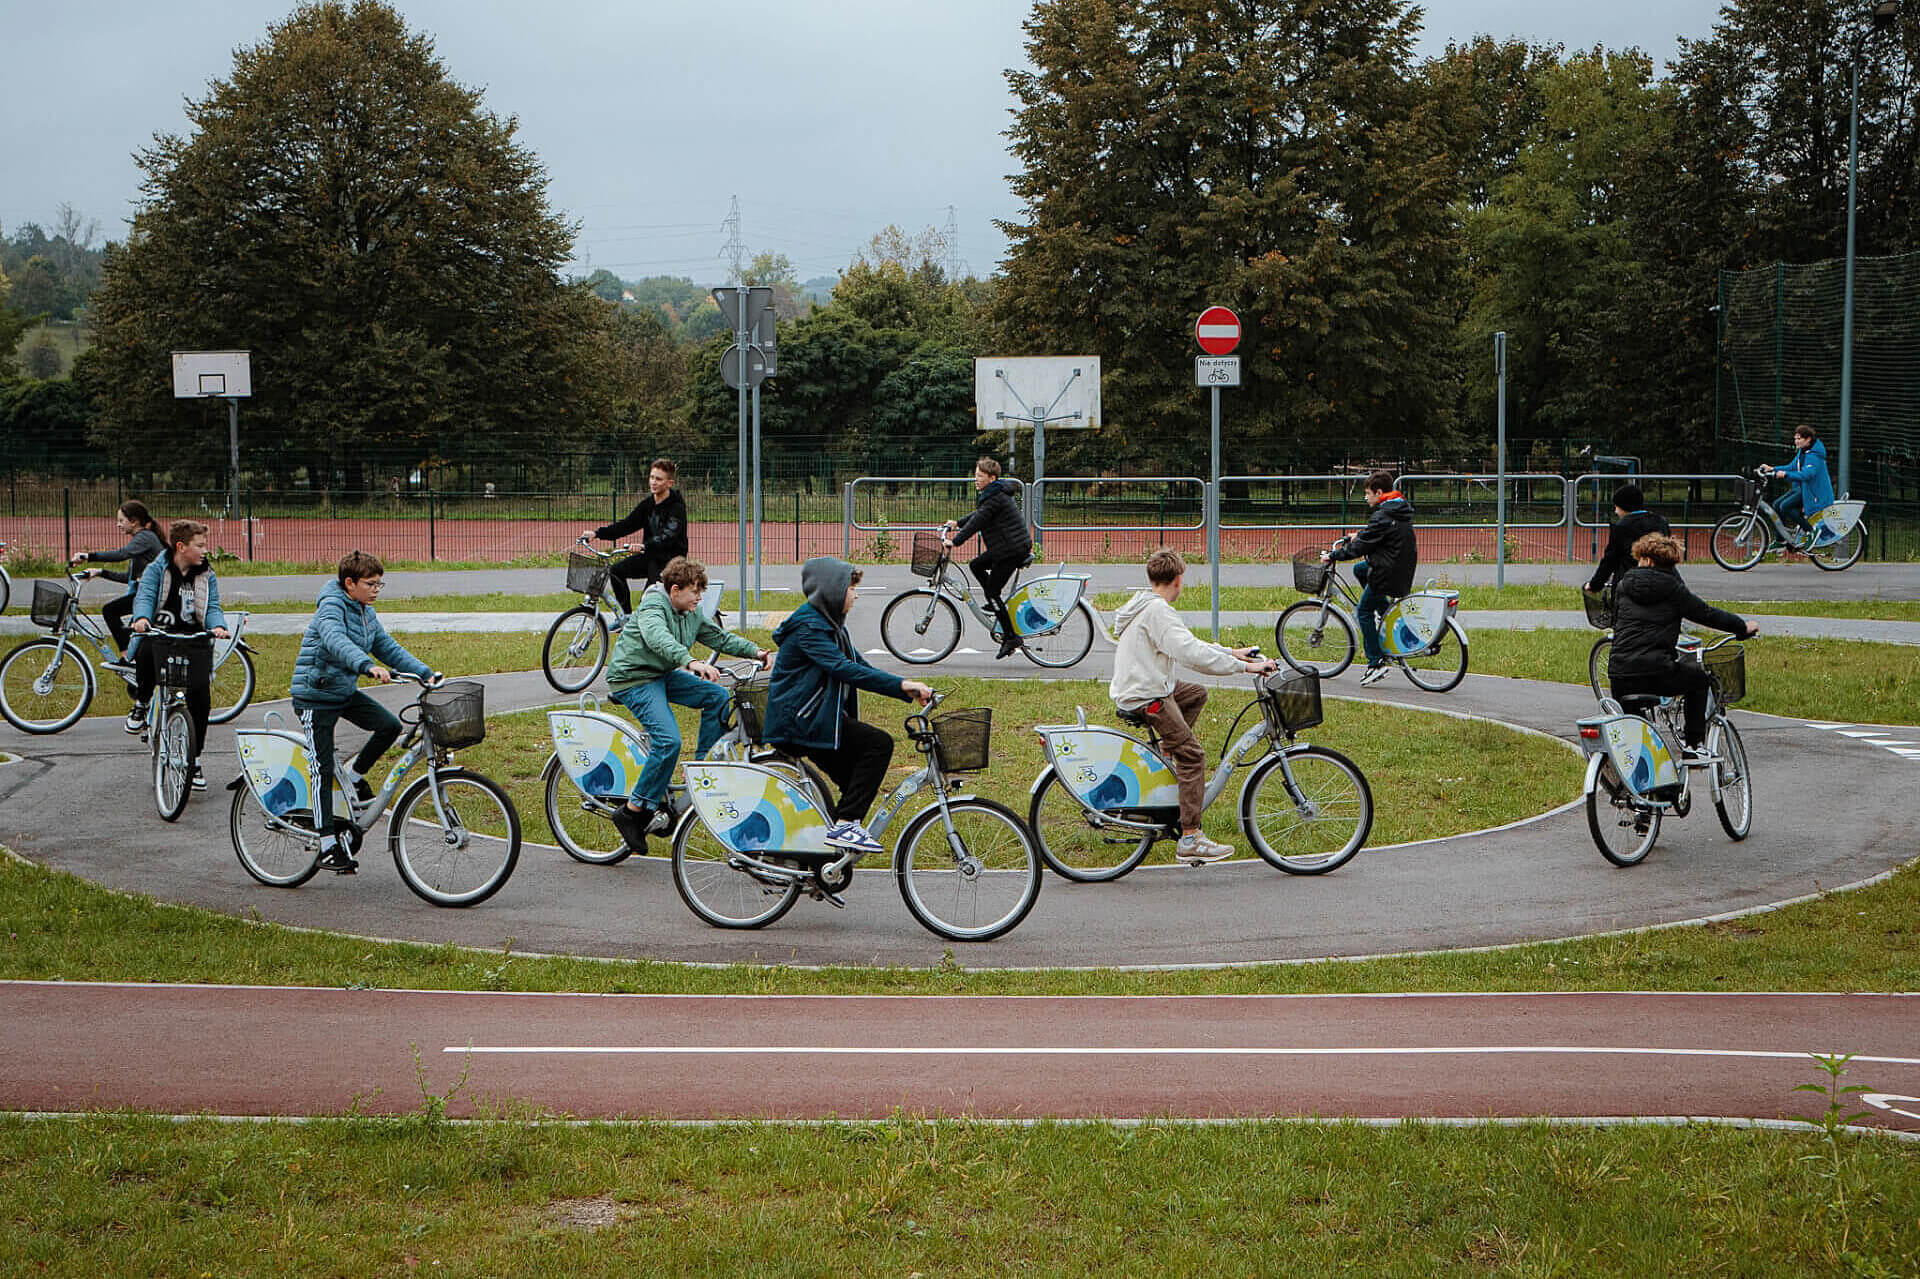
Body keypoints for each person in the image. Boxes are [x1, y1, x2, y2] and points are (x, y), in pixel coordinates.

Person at [1109, 549, 1275, 863]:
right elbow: (1190, 653)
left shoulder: (1148, 605)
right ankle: (1190, 838)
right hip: (1147, 696)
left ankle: (1166, 757)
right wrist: (1247, 668)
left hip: (1144, 687)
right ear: (1178, 580)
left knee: (1195, 694)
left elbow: (1188, 643)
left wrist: (1230, 653)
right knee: (1194, 756)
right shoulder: (1158, 611)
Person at [601, 556, 773, 853]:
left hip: (661, 674)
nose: (700, 597)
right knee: (668, 742)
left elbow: (717, 637)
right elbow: (658, 638)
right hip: (633, 678)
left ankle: (700, 766)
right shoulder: (654, 606)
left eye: (701, 592)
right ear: (675, 589)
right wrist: (690, 661)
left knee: (717, 696)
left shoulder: (690, 613)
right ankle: (632, 811)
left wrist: (756, 652)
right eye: (695, 591)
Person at [763, 556, 933, 854]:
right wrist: (901, 686)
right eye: (850, 588)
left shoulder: (831, 625)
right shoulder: (809, 628)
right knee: (878, 744)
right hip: (801, 722)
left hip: (816, 720)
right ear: (831, 591)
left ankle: (820, 855)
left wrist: (904, 687)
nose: (855, 594)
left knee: (855, 781)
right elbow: (844, 669)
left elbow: (858, 663)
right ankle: (845, 825)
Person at [289, 550, 436, 874]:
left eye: (380, 584)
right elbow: (334, 641)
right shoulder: (331, 607)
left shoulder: (364, 611)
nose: (376, 590)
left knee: (387, 726)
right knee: (321, 767)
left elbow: (385, 645)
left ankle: (354, 777)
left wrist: (424, 672)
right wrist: (365, 665)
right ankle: (326, 843)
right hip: (315, 696)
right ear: (349, 583)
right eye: (371, 584)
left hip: (340, 691)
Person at [1608, 533, 1758, 758]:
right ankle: (1693, 745)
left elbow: (1619, 622)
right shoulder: (1674, 589)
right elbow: (1707, 614)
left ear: (1647, 560)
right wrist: (1742, 627)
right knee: (1699, 681)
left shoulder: (1622, 586)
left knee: (1634, 739)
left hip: (1618, 674)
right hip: (1655, 672)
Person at [126, 519, 231, 791]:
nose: (205, 550)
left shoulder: (206, 574)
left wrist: (217, 625)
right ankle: (143, 701)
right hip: (161, 634)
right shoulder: (156, 570)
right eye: (200, 545)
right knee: (148, 647)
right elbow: (145, 597)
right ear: (182, 547)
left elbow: (212, 606)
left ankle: (193, 759)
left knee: (201, 698)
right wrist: (141, 620)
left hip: (192, 639)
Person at [1323, 470, 1417, 686]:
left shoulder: (1383, 515)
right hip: (1399, 567)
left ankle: (1376, 663)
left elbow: (1361, 547)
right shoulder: (1396, 508)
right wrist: (1360, 534)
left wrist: (1333, 555)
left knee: (1363, 612)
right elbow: (1377, 534)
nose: (1365, 497)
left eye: (1367, 493)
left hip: (1387, 572)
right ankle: (1384, 611)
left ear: (1379, 492)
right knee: (1359, 570)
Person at [942, 457, 1032, 659]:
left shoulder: (996, 497)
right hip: (1007, 547)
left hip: (1011, 550)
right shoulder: (994, 494)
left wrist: (954, 542)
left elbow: (978, 522)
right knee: (976, 565)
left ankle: (1011, 638)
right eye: (975, 475)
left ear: (991, 478)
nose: (976, 479)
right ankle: (994, 602)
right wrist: (957, 523)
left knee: (992, 591)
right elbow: (979, 515)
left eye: (980, 476)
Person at [583, 458, 689, 613]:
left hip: (671, 561)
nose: (653, 482)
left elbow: (668, 536)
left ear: (669, 483)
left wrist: (644, 546)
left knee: (647, 602)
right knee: (616, 571)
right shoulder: (648, 505)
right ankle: (626, 618)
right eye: (652, 477)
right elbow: (626, 525)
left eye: (658, 479)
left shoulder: (676, 507)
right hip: (651, 556)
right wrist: (597, 533)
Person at [71, 499, 166, 664]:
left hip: (153, 596)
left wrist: (88, 556)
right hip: (147, 595)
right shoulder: (142, 540)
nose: (118, 524)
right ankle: (131, 662)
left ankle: (127, 657)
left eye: (121, 520)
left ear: (134, 521)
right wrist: (100, 572)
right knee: (129, 632)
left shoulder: (145, 537)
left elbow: (121, 554)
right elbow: (127, 578)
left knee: (110, 611)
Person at [1759, 425, 1834, 559]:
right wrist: (1773, 469)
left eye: (1799, 439)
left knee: (1785, 506)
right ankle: (1780, 540)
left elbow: (1806, 475)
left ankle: (1811, 531)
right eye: (1795, 438)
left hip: (1815, 493)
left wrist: (1785, 475)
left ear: (1808, 439)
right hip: (1804, 489)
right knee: (1777, 504)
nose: (1796, 441)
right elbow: (1792, 467)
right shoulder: (1803, 451)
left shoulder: (1815, 456)